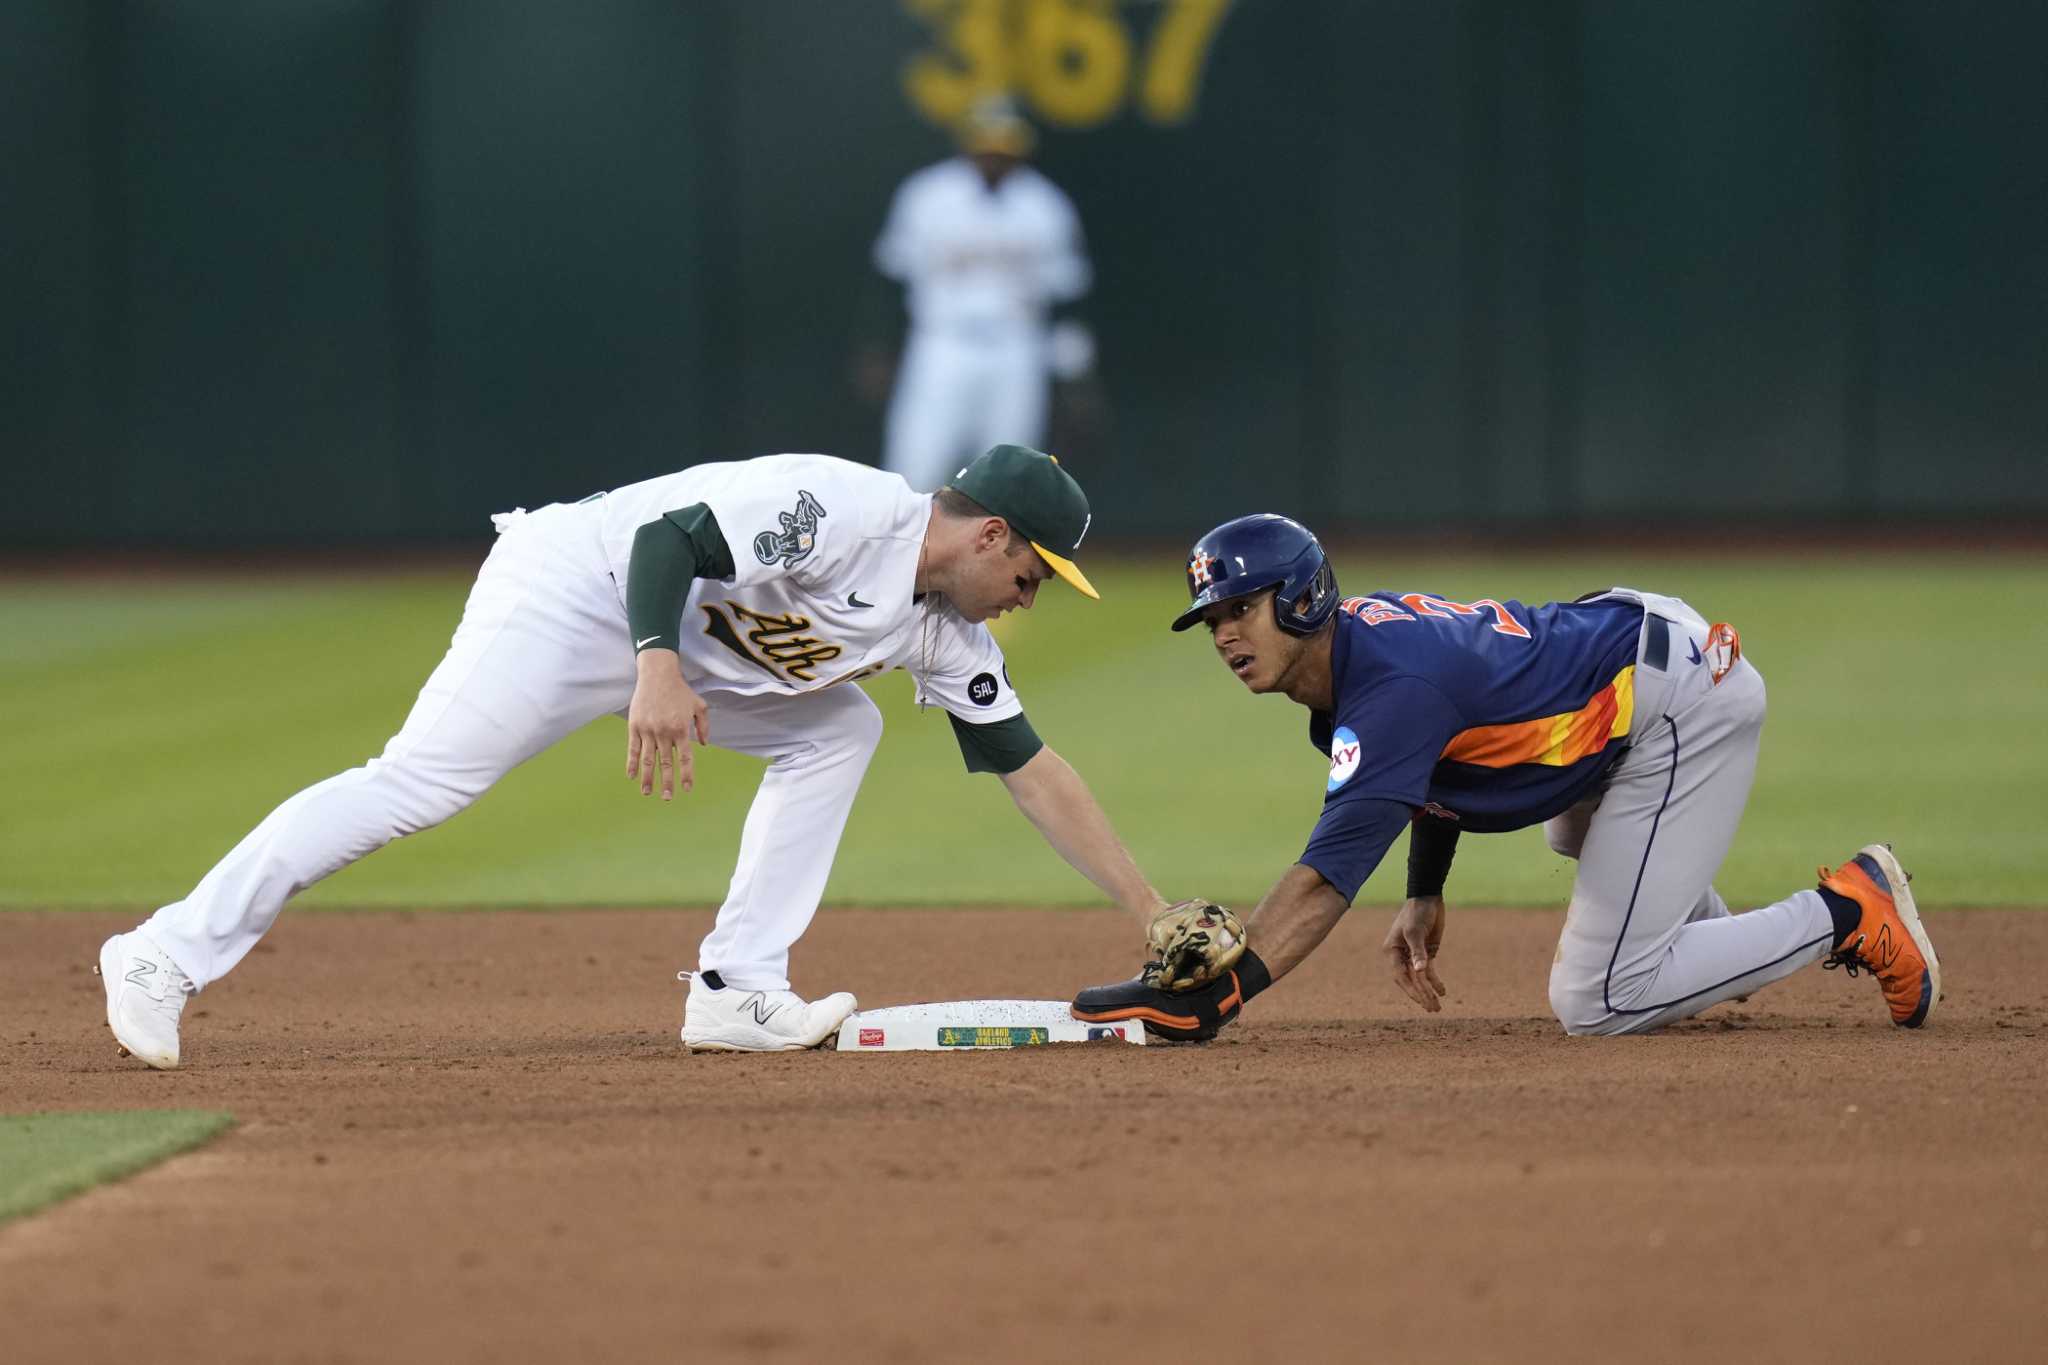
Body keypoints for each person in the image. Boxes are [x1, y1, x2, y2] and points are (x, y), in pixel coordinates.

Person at [98, 444, 1172, 1066]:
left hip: (689, 655)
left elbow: (1031, 765)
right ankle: (162, 952)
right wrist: (654, 663)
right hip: (575, 592)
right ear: (988, 536)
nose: (1031, 597)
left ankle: (736, 988)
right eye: (1033, 574)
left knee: (841, 728)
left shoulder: (945, 629)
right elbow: (671, 541)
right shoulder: (842, 507)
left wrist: (1152, 912)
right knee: (421, 784)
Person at [1073, 514, 1942, 1041]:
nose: (1224, 635)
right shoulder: (1355, 658)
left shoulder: (1386, 690)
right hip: (1631, 661)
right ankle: (1707, 944)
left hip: (1675, 700)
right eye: (1211, 620)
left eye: (1240, 609)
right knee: (1571, 828)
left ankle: (1846, 912)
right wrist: (1426, 887)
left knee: (1600, 996)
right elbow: (1444, 751)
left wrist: (1220, 995)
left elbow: (1326, 878)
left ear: (1301, 598)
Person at [866, 95, 1094, 491]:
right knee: (915, 466)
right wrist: (879, 347)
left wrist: (1072, 370)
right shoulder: (927, 196)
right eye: (987, 145)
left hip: (1016, 348)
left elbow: (1067, 298)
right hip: (941, 344)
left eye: (1004, 146)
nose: (994, 156)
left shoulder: (1044, 205)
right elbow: (890, 278)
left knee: (1010, 475)